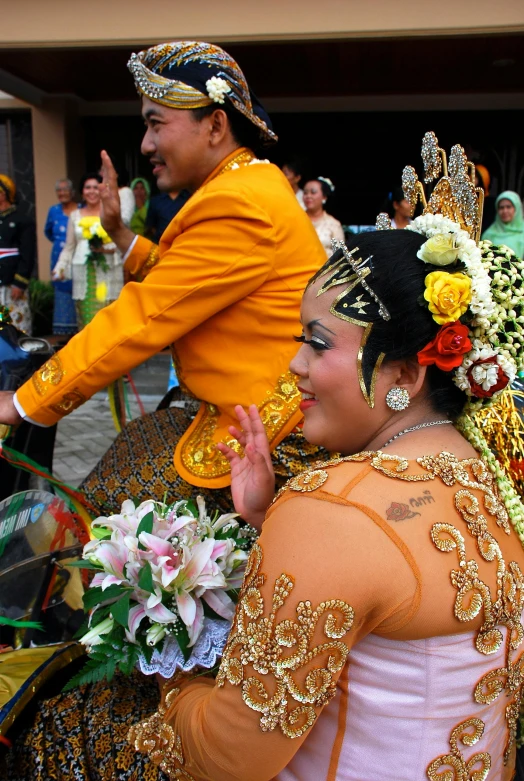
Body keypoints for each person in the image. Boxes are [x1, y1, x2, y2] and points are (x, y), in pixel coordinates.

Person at [4, 138, 524, 781]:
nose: (295, 365)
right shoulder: (491, 471)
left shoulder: (332, 506)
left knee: (71, 725)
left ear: (401, 371)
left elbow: (227, 757)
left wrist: (177, 659)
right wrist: (263, 518)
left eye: (316, 343)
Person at [0, 40, 327, 519]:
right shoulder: (247, 185)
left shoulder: (236, 203)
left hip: (271, 434)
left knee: (100, 512)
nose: (146, 145)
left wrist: (23, 403)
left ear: (215, 125)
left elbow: (145, 315)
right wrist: (118, 232)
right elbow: (187, 281)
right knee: (129, 449)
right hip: (246, 409)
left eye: (156, 124)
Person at [52, 173, 124, 328]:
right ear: (82, 191)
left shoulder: (112, 213)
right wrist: (60, 267)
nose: (92, 191)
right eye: (87, 187)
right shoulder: (75, 215)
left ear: (102, 190)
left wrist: (105, 249)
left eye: (95, 187)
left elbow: (121, 244)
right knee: (88, 321)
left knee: (109, 320)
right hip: (84, 275)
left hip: (109, 273)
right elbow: (69, 247)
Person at [0, 174, 35, 334]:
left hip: (12, 285)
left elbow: (27, 254)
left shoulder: (22, 220)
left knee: (18, 328)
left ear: (4, 194)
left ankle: (22, 358)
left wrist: (19, 283)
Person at [44, 178, 78, 336]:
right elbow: (48, 232)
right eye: (59, 190)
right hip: (60, 259)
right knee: (62, 296)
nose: (62, 193)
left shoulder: (80, 209)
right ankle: (63, 336)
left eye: (65, 189)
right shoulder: (53, 211)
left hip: (78, 260)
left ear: (72, 192)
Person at [303, 176, 344, 255]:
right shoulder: (296, 220)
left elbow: (339, 255)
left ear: (324, 197)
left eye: (313, 192)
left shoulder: (334, 224)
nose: (308, 196)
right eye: (305, 193)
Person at [482, 190, 524, 258]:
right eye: (501, 208)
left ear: (517, 208)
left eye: (508, 207)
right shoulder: (489, 235)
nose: (505, 211)